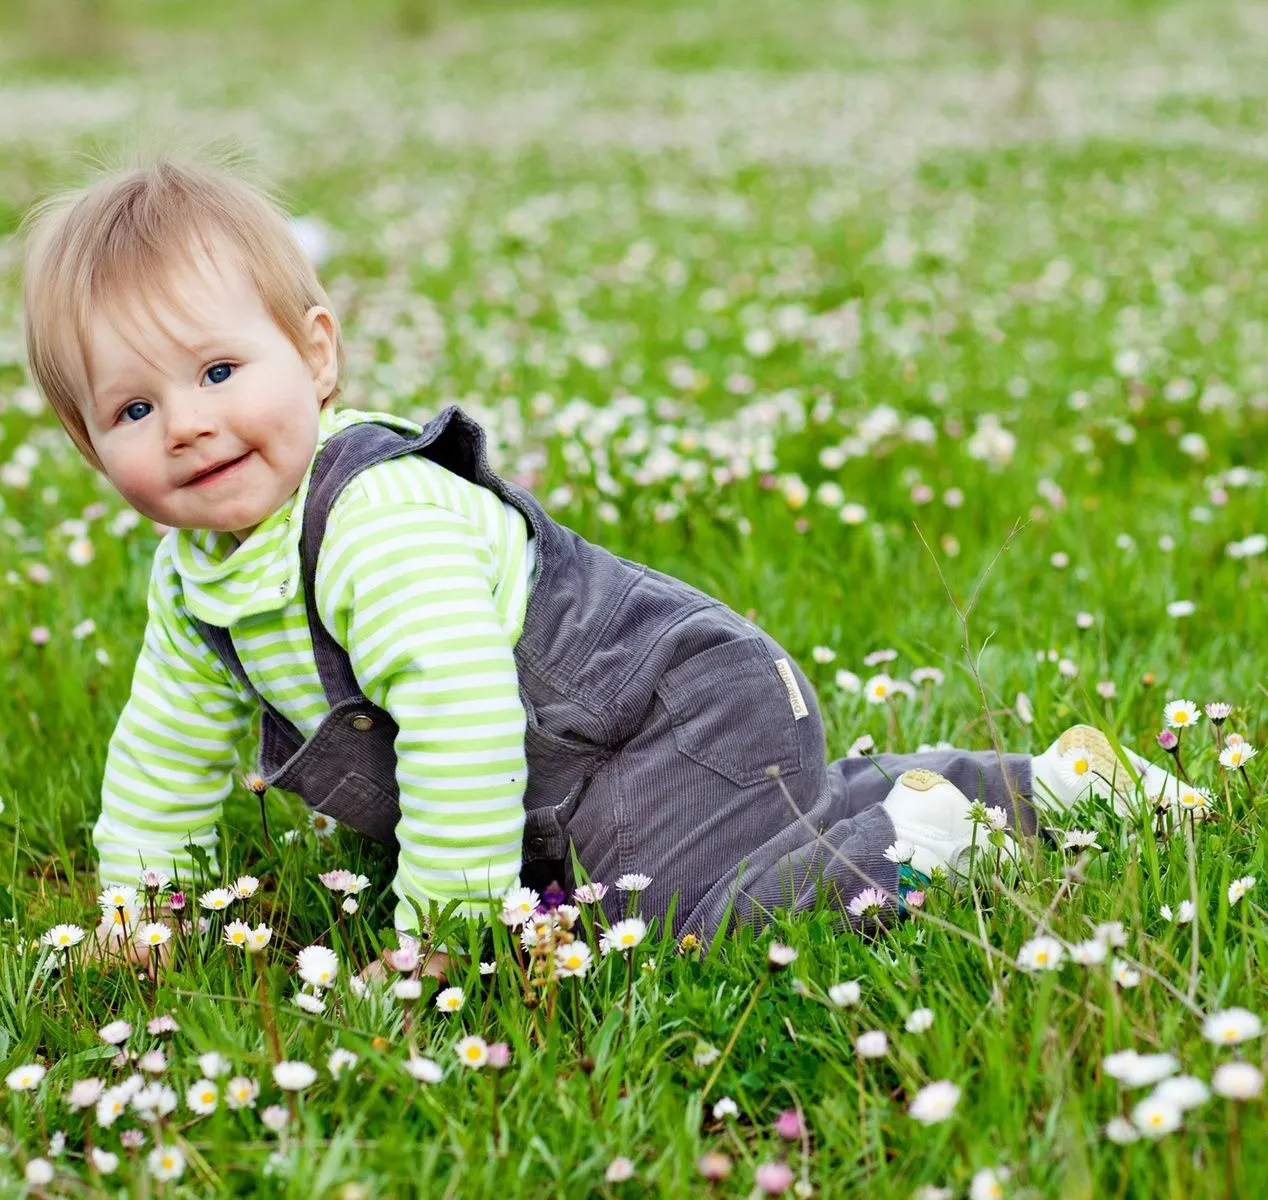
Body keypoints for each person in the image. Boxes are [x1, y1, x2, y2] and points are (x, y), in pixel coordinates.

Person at [19, 154, 1177, 973]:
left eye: (219, 372)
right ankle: (1042, 781)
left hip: (668, 715)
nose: (186, 424)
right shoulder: (195, 583)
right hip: (571, 784)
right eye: (132, 405)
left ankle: (937, 836)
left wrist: (445, 935)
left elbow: (466, 717)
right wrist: (136, 911)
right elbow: (164, 754)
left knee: (693, 920)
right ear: (88, 447)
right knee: (655, 878)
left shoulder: (375, 520)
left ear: (315, 354)